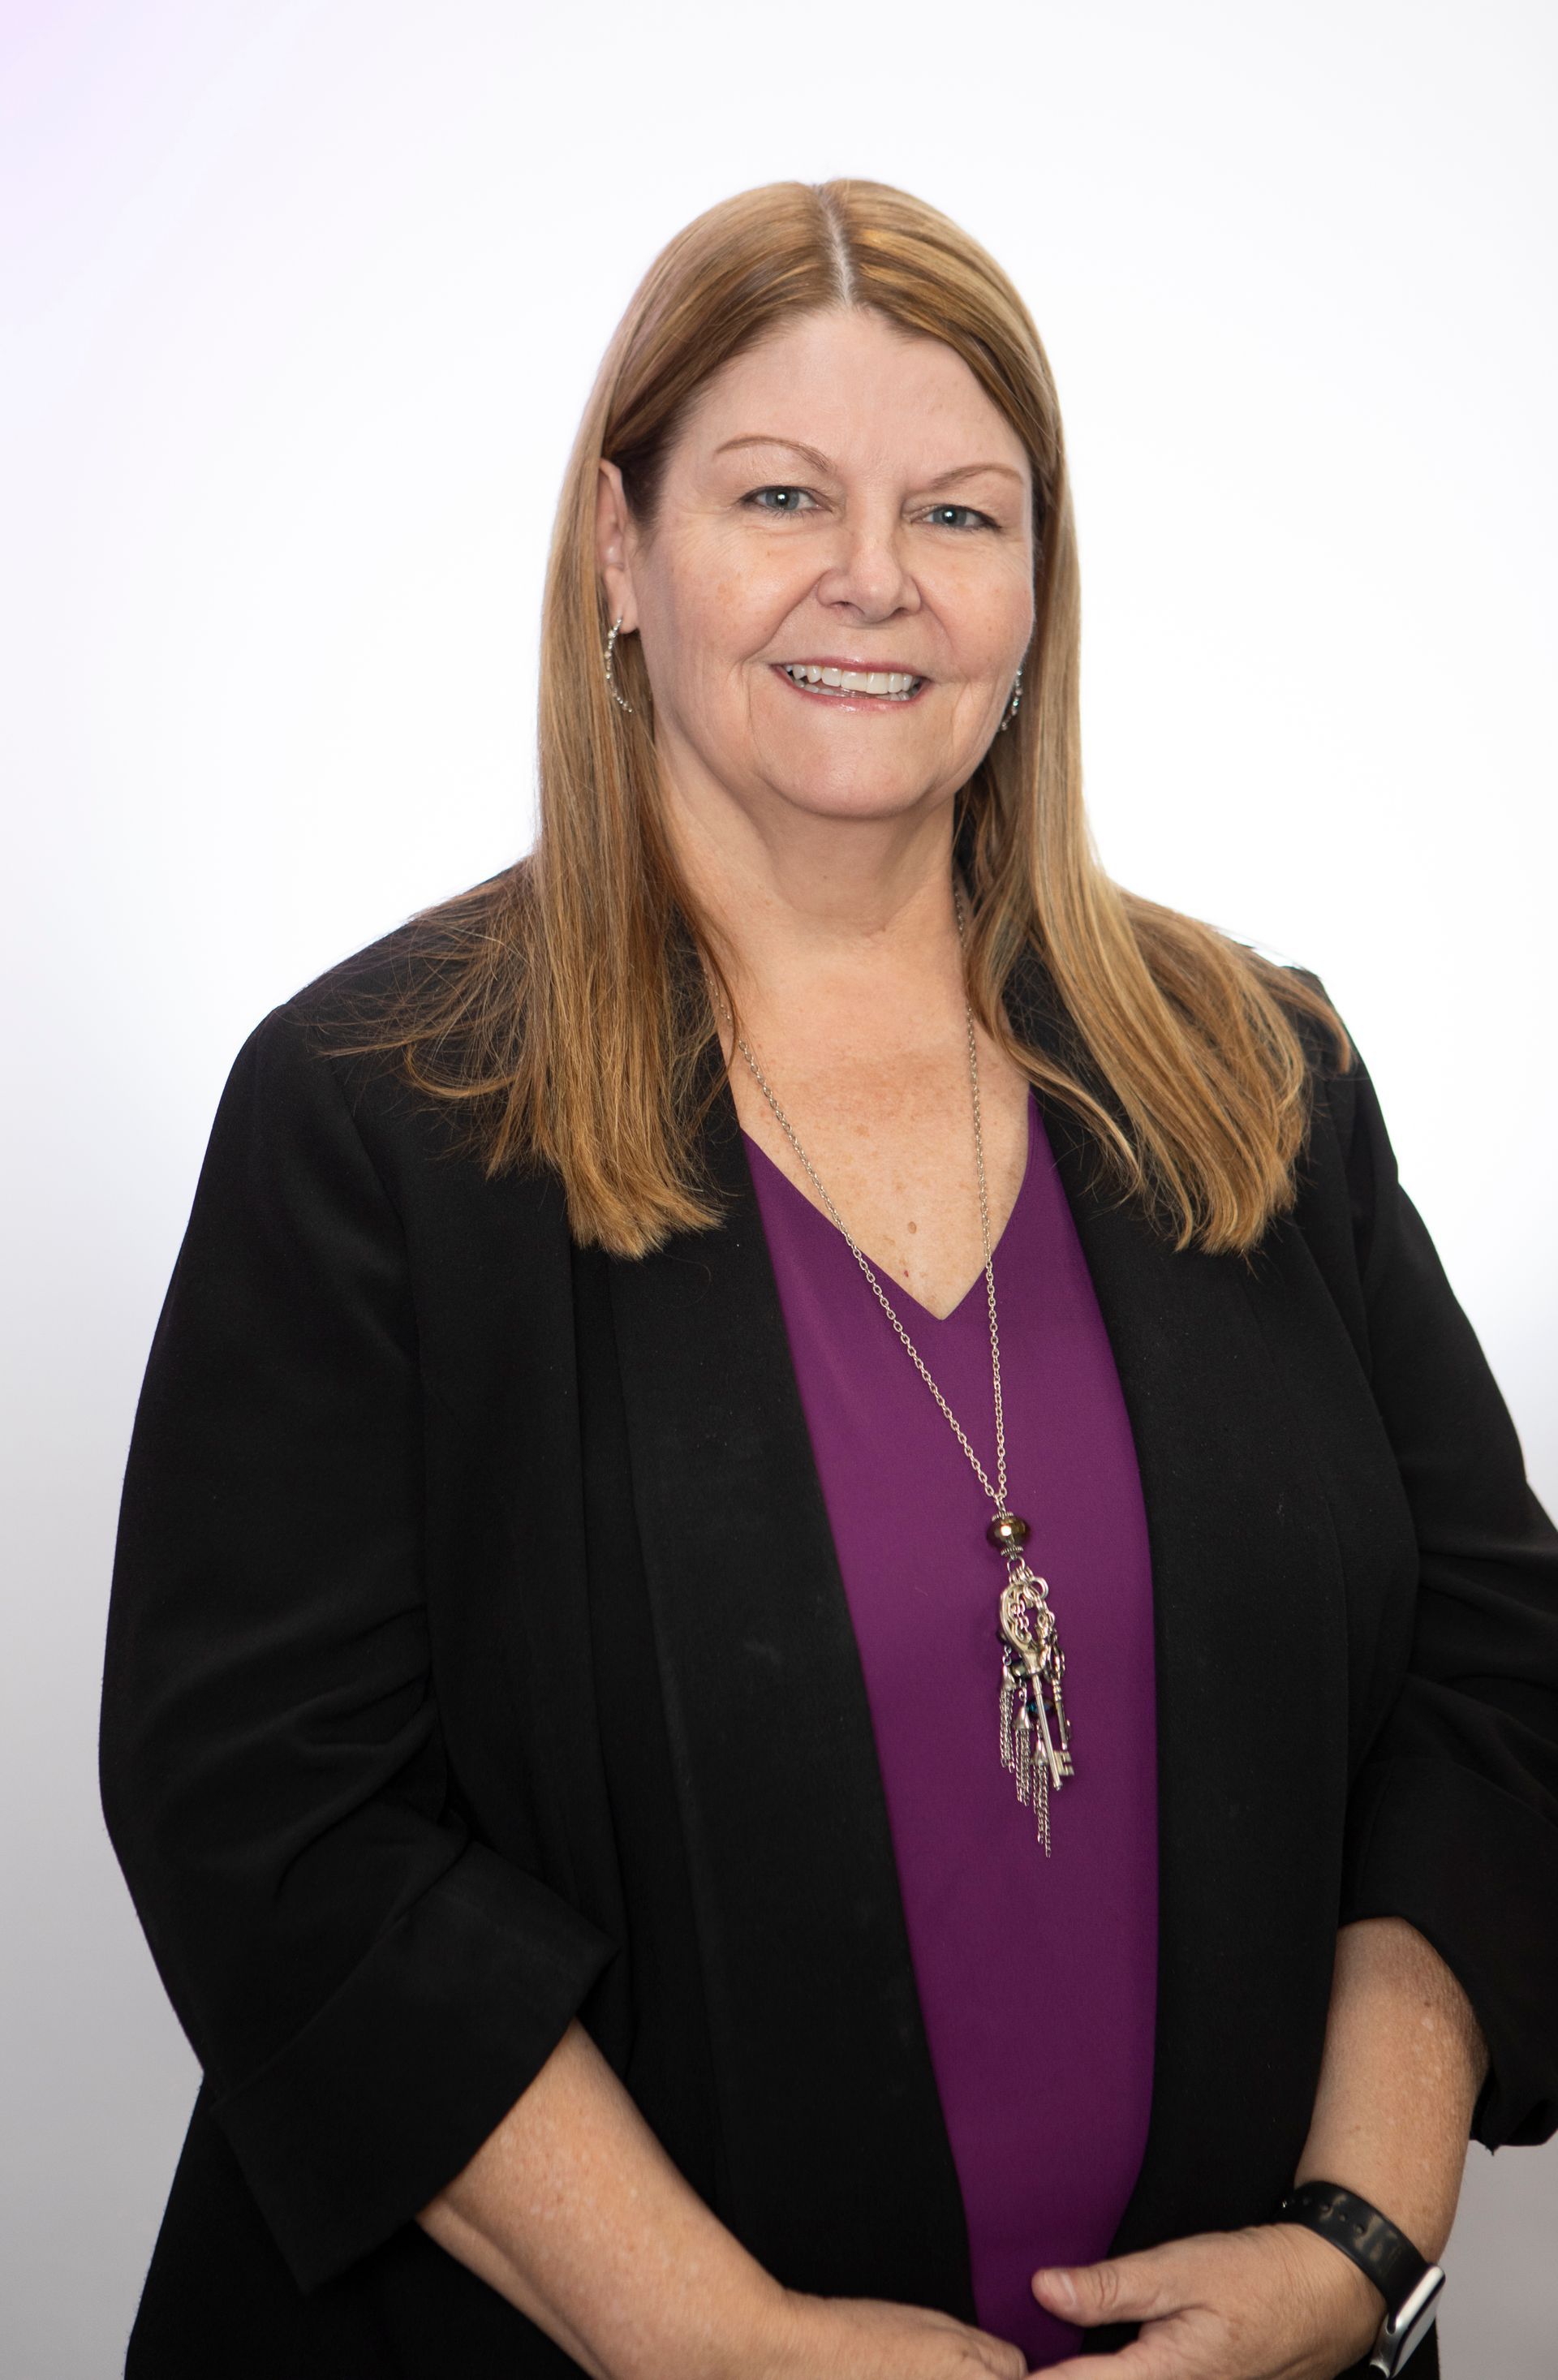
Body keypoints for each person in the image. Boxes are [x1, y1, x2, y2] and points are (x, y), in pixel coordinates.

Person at [100, 178, 1558, 2380]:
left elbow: (1494, 1674)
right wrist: (708, 2338)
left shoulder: (1255, 1071)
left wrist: (1363, 2243)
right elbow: (272, 1822)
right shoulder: (376, 1117)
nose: (875, 578)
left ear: (1037, 589)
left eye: (960, 516)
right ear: (619, 548)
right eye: (779, 495)